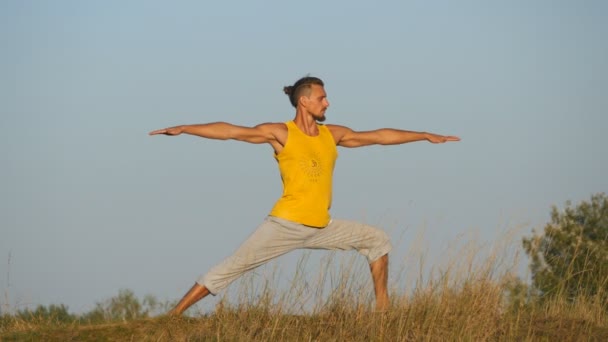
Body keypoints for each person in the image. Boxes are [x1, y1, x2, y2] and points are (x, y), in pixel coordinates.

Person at [149, 76, 460, 315]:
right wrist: (186, 128)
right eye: (322, 98)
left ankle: (382, 312)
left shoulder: (332, 134)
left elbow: (379, 136)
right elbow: (232, 130)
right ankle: (172, 316)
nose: (327, 103)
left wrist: (423, 136)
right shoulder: (281, 133)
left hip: (321, 226)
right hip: (284, 225)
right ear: (305, 102)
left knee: (377, 241)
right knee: (230, 268)